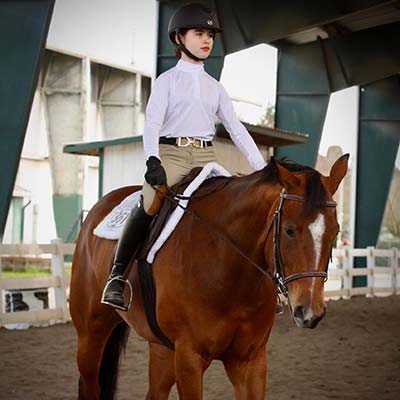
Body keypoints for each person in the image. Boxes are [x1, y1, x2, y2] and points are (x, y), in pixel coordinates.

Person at [101, 2, 267, 310]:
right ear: (179, 38)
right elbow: (152, 123)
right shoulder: (167, 81)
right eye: (199, 33)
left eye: (210, 35)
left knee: (233, 208)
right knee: (151, 201)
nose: (206, 40)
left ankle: (257, 283)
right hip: (172, 154)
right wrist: (153, 160)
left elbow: (236, 129)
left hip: (206, 156)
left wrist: (262, 168)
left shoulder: (215, 88)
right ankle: (117, 275)